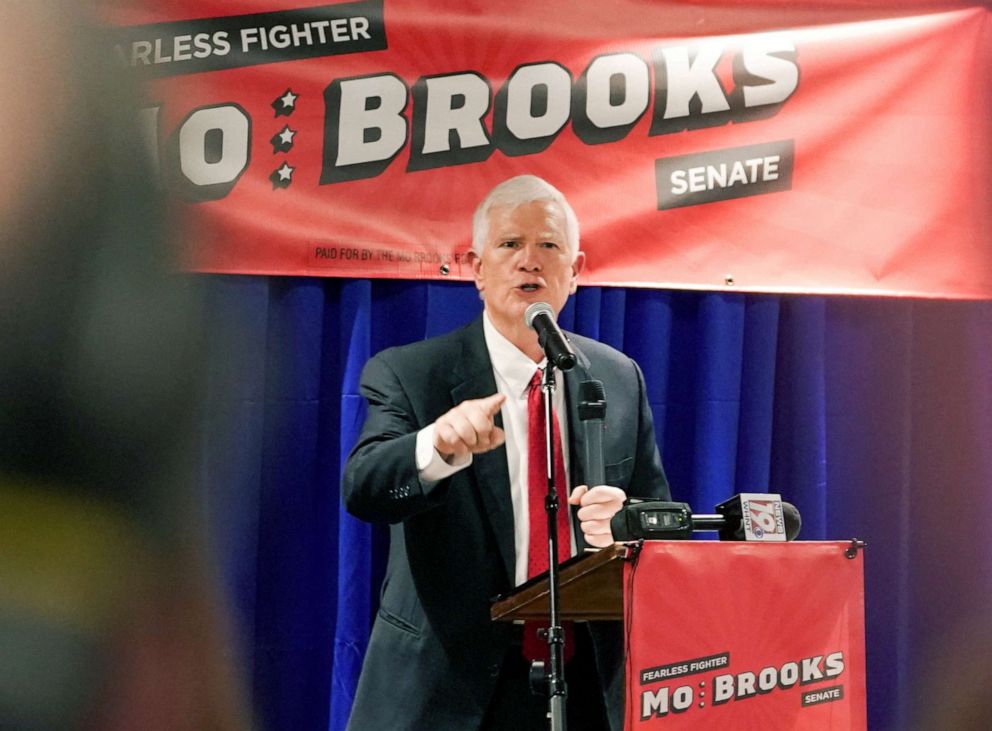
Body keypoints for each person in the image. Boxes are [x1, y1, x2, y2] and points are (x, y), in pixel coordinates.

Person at [343, 174, 671, 730]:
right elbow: (366, 487)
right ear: (476, 267)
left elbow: (654, 523)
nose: (529, 262)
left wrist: (623, 524)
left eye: (548, 246)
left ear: (576, 270)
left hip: (587, 677)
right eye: (510, 245)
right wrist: (436, 447)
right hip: (448, 689)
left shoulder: (617, 378)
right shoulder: (411, 373)